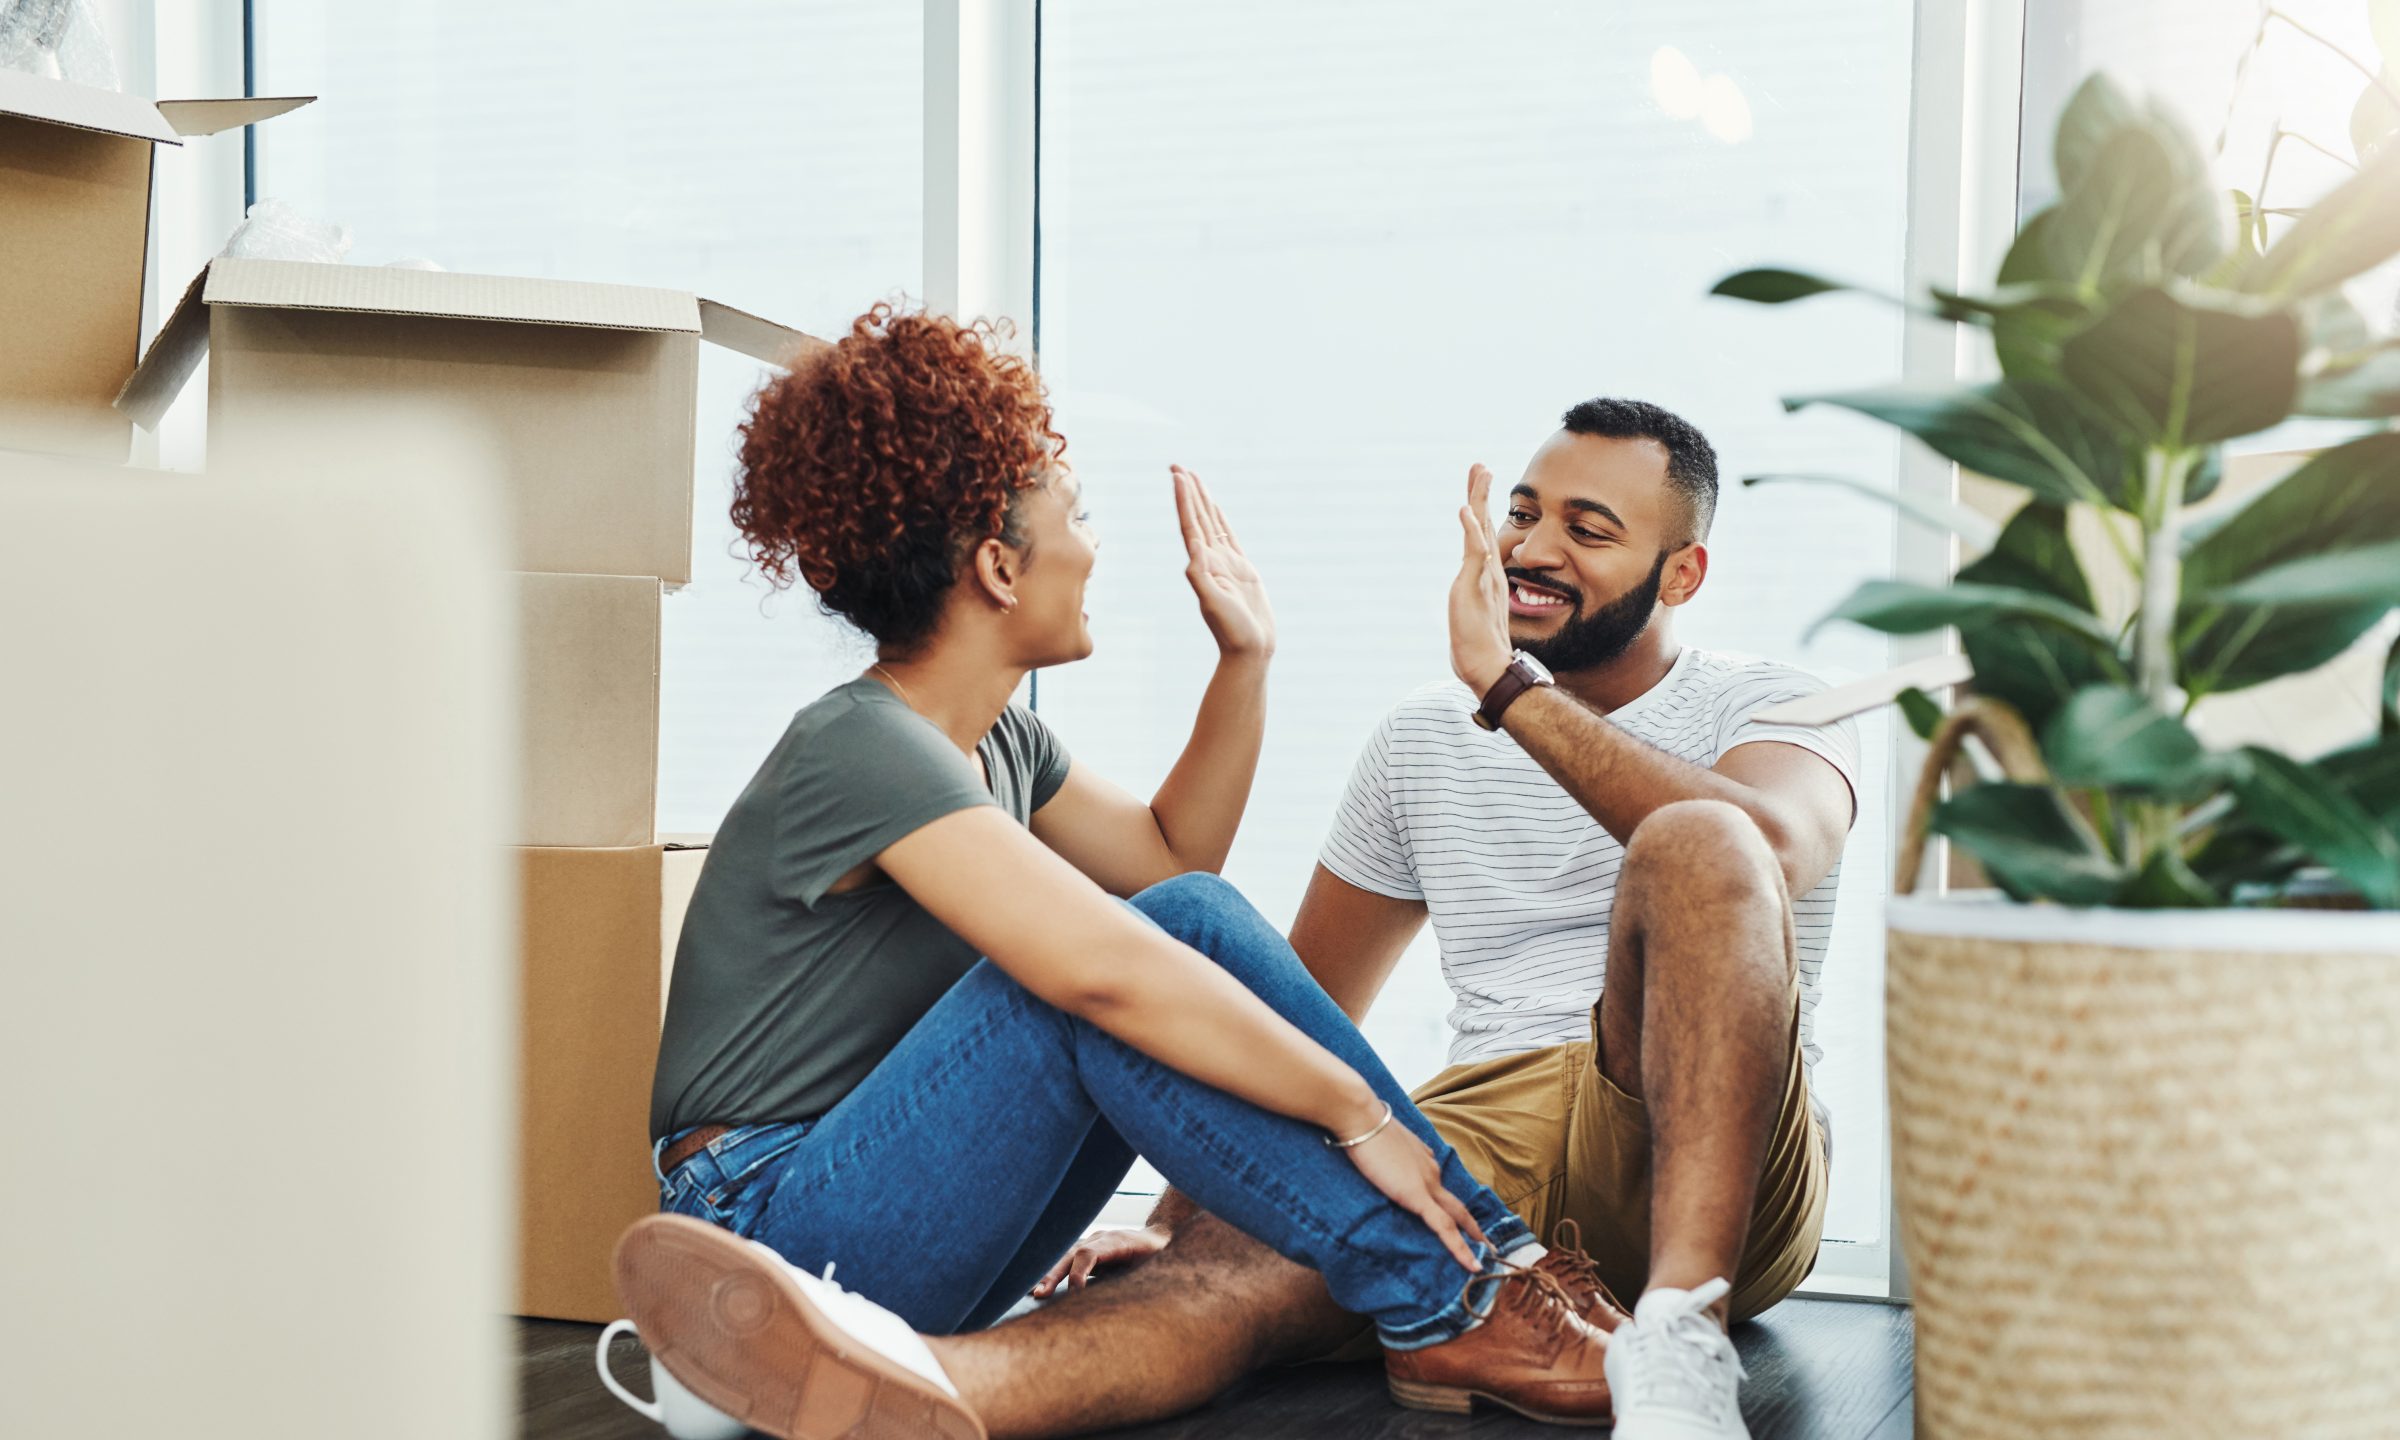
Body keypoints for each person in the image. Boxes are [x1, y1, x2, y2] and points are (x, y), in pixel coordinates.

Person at [619, 397, 1861, 1440]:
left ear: (1682, 570)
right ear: (999, 569)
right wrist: (1345, 1120)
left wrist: (1246, 660)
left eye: (1587, 527)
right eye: (1077, 521)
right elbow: (1120, 968)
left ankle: (813, 1366)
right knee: (1135, 976)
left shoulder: (999, 746)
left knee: (1173, 920)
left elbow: (1171, 863)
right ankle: (1469, 1297)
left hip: (861, 1200)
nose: (1095, 550)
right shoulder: (862, 745)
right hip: (767, 1210)